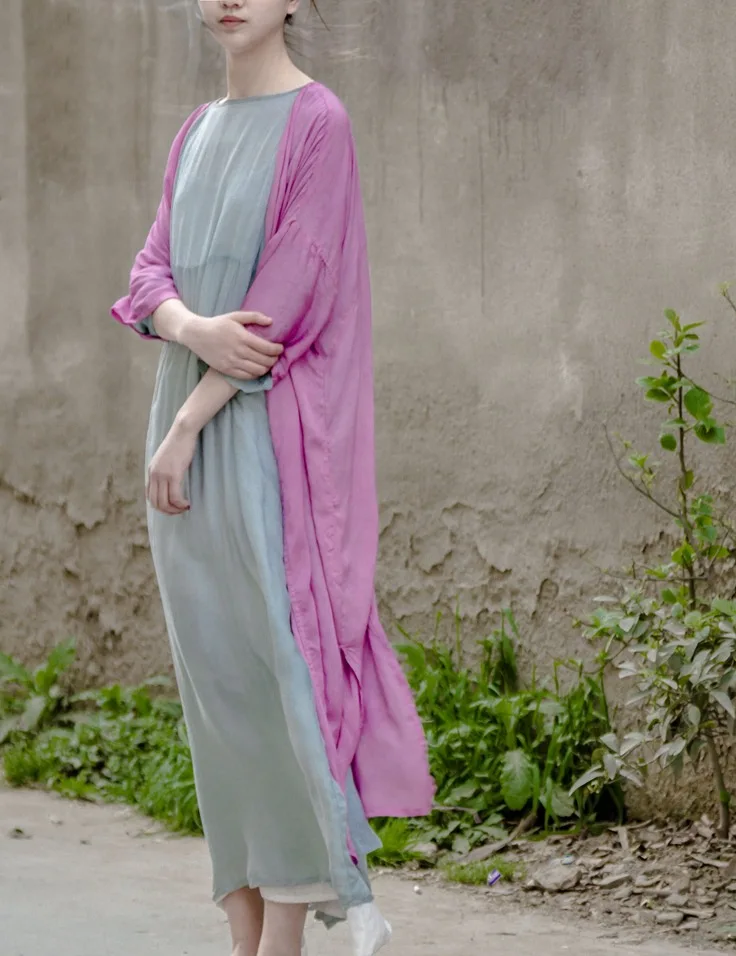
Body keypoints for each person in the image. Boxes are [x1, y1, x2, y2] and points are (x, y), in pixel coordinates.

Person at [110, 2, 434, 955]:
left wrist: (186, 420)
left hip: (259, 439)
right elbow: (149, 273)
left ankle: (283, 941)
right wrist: (191, 328)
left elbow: (287, 299)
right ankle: (244, 938)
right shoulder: (196, 132)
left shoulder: (318, 123)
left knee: (276, 677)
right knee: (217, 696)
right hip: (182, 444)